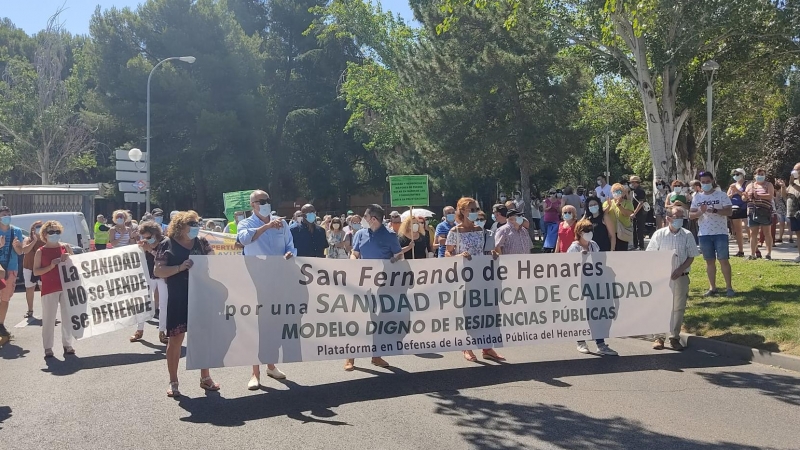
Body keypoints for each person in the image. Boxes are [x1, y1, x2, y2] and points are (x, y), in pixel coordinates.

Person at [154, 210, 219, 397]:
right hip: (178, 297)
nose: (196, 226)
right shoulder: (167, 244)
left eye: (198, 222)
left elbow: (213, 261)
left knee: (203, 339)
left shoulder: (202, 242)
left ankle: (205, 377)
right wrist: (180, 267)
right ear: (180, 225)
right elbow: (159, 271)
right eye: (192, 223)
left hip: (201, 296)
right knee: (175, 340)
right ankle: (173, 381)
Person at [237, 190, 294, 388]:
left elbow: (290, 246)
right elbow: (244, 240)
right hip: (255, 281)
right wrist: (267, 226)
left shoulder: (283, 223)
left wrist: (289, 254)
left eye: (268, 200)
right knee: (256, 326)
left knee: (273, 324)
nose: (266, 203)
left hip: (277, 280)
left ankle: (271, 365)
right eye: (261, 201)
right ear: (253, 205)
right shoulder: (245, 223)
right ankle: (255, 372)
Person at [445, 197, 505, 363]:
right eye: (471, 210)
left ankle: (487, 347)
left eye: (476, 209)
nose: (474, 212)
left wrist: (492, 254)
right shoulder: (454, 232)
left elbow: (486, 251)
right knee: (468, 314)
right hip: (465, 279)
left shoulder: (481, 230)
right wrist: (458, 256)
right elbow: (447, 254)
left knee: (485, 312)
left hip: (482, 277)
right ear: (462, 211)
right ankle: (467, 346)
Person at [346, 204, 404, 371]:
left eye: (365, 216)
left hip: (382, 285)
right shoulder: (360, 234)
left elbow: (398, 256)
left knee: (378, 321)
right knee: (357, 320)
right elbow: (354, 253)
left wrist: (388, 264)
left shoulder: (390, 236)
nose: (362, 219)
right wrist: (353, 263)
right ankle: (350, 358)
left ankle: (376, 356)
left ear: (373, 219)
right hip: (361, 284)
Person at [647, 206, 700, 351]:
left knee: (678, 308)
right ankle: (659, 337)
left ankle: (674, 337)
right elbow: (650, 255)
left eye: (682, 217)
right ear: (669, 218)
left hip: (681, 277)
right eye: (677, 217)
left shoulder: (687, 235)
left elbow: (691, 256)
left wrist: (680, 269)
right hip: (662, 278)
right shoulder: (659, 234)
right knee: (660, 307)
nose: (680, 220)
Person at [566, 219, 618, 356]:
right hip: (580, 287)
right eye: (586, 231)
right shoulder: (574, 248)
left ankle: (600, 344)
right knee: (582, 315)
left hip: (595, 285)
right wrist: (581, 259)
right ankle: (580, 341)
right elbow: (568, 268)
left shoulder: (594, 245)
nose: (589, 233)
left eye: (590, 231)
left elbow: (600, 263)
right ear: (579, 232)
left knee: (596, 315)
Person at [32, 220, 75, 358]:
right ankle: (48, 347)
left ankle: (68, 344)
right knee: (49, 319)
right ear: (45, 234)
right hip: (49, 287)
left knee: (67, 317)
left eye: (58, 232)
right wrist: (51, 266)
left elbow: (78, 265)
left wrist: (70, 257)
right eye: (51, 232)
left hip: (66, 287)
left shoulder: (66, 247)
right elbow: (36, 272)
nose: (55, 234)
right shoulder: (41, 251)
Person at [690, 172, 735, 297]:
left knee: (723, 260)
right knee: (709, 261)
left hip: (720, 232)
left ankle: (729, 287)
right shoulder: (697, 197)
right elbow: (691, 215)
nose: (705, 184)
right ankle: (712, 287)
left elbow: (729, 211)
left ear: (712, 181)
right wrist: (700, 212)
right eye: (703, 182)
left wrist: (715, 210)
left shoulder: (721, 195)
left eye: (707, 181)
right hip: (704, 234)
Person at [129, 221, 163, 343]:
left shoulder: (164, 242)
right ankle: (139, 330)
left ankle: (163, 331)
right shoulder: (145, 243)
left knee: (163, 305)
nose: (146, 239)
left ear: (155, 234)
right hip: (147, 274)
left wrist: (150, 250)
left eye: (148, 237)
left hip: (162, 276)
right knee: (142, 303)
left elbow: (164, 258)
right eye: (144, 237)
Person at [0, 206, 24, 344]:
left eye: (9, 214)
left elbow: (20, 252)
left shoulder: (16, 231)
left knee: (5, 299)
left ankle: (1, 324)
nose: (7, 216)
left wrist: (17, 247)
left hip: (10, 270)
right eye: (4, 214)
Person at [742, 168, 775, 260]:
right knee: (753, 233)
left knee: (767, 232)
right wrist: (744, 196)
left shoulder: (769, 185)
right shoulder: (750, 185)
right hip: (752, 211)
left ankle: (768, 254)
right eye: (758, 174)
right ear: (754, 175)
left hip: (765, 211)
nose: (760, 176)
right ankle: (752, 254)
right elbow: (744, 198)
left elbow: (771, 196)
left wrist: (759, 196)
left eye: (762, 174)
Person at [21, 221, 45, 319]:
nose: (39, 229)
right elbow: (25, 250)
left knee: (44, 289)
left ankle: (47, 310)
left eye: (40, 227)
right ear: (32, 230)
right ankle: (30, 310)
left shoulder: (46, 240)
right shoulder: (28, 239)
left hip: (42, 268)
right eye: (36, 227)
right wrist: (34, 241)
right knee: (29, 289)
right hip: (29, 268)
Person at [603, 183, 635, 251]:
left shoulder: (628, 203)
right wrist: (608, 206)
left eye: (618, 191)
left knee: (621, 253)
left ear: (623, 193)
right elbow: (603, 214)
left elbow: (628, 214)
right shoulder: (607, 202)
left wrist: (619, 206)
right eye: (614, 191)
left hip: (623, 233)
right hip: (610, 233)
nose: (616, 193)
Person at [727, 169, 749, 258]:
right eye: (734, 174)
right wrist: (731, 194)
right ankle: (741, 251)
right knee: (738, 231)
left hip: (745, 207)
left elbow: (746, 196)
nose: (735, 175)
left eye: (737, 174)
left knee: (749, 229)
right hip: (735, 209)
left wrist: (737, 190)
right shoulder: (732, 185)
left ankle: (755, 250)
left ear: (742, 174)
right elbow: (727, 196)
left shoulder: (747, 183)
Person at [784, 163, 800, 262]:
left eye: (797, 170)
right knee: (798, 234)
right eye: (793, 169)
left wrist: (793, 184)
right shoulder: (792, 182)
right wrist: (783, 187)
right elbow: (785, 196)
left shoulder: (793, 183)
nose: (794, 171)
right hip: (793, 213)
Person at [629, 176, 648, 250]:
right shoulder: (634, 191)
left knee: (639, 229)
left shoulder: (640, 191)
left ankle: (641, 245)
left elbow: (641, 203)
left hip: (640, 213)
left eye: (632, 182)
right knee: (634, 229)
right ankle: (635, 244)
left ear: (635, 182)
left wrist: (635, 212)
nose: (631, 184)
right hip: (636, 213)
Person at [775, 179, 788, 244]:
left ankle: (780, 237)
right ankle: (790, 238)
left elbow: (777, 201)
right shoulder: (787, 189)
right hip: (786, 209)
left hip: (780, 210)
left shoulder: (777, 192)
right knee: (789, 225)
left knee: (781, 225)